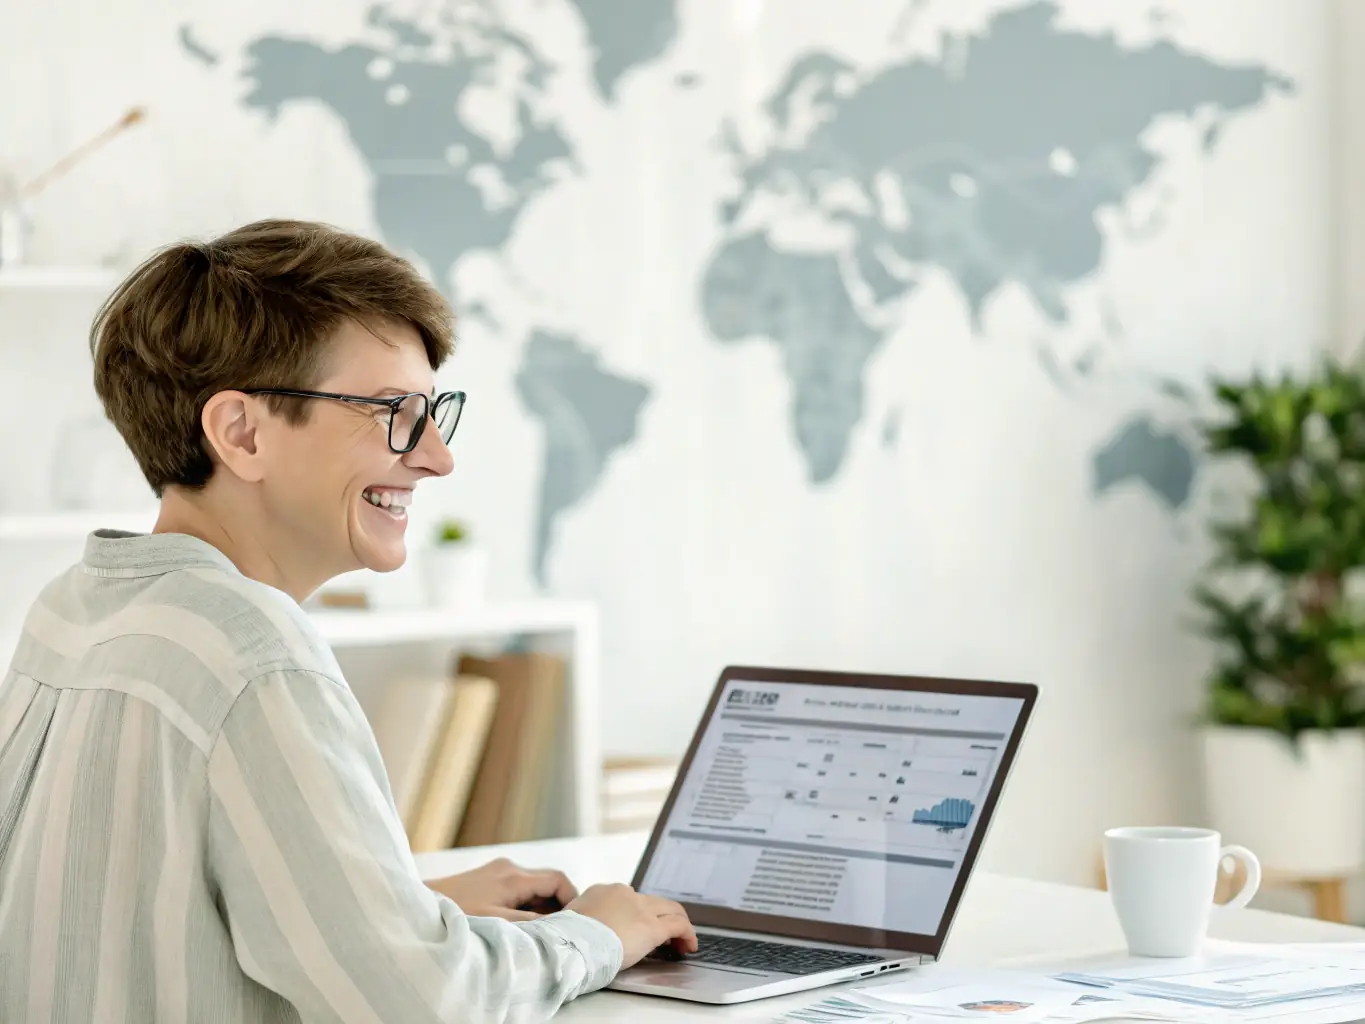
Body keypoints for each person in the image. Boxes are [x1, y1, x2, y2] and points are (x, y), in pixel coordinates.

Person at [0, 219, 696, 1023]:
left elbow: (114, 917)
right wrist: (592, 935)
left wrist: (401, 906)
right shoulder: (252, 654)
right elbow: (423, 1004)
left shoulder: (78, 607)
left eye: (435, 414)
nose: (437, 457)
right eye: (394, 412)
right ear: (241, 432)